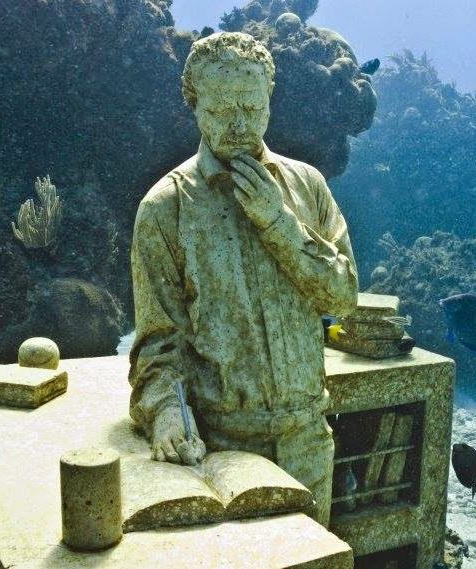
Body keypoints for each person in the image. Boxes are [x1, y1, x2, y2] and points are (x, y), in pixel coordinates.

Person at [128, 31, 358, 526]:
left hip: (308, 440)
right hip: (222, 450)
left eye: (252, 109)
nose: (238, 125)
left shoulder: (307, 186)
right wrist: (167, 412)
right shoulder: (164, 208)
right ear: (194, 105)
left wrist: (279, 223)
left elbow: (342, 295)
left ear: (269, 104)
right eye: (220, 109)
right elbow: (156, 346)